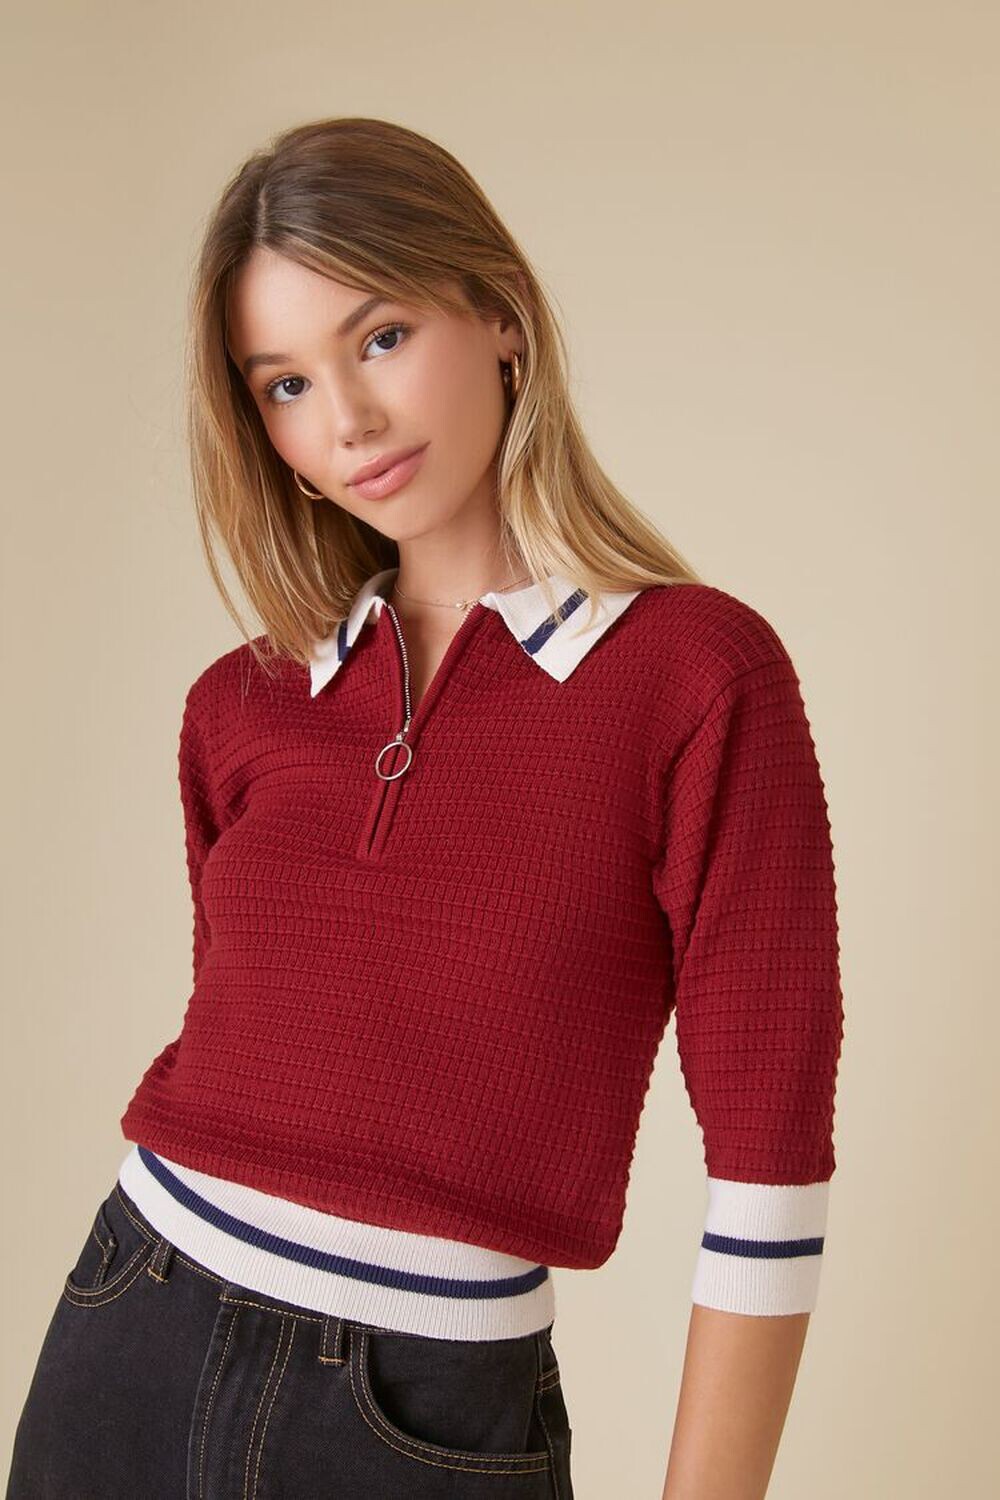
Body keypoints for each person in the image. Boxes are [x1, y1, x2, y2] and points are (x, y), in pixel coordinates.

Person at [6, 115, 844, 1500]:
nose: (347, 420)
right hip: (126, 1339)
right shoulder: (242, 704)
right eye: (285, 383)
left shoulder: (698, 678)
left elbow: (771, 1162)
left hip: (427, 1416)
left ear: (499, 313)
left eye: (380, 337)